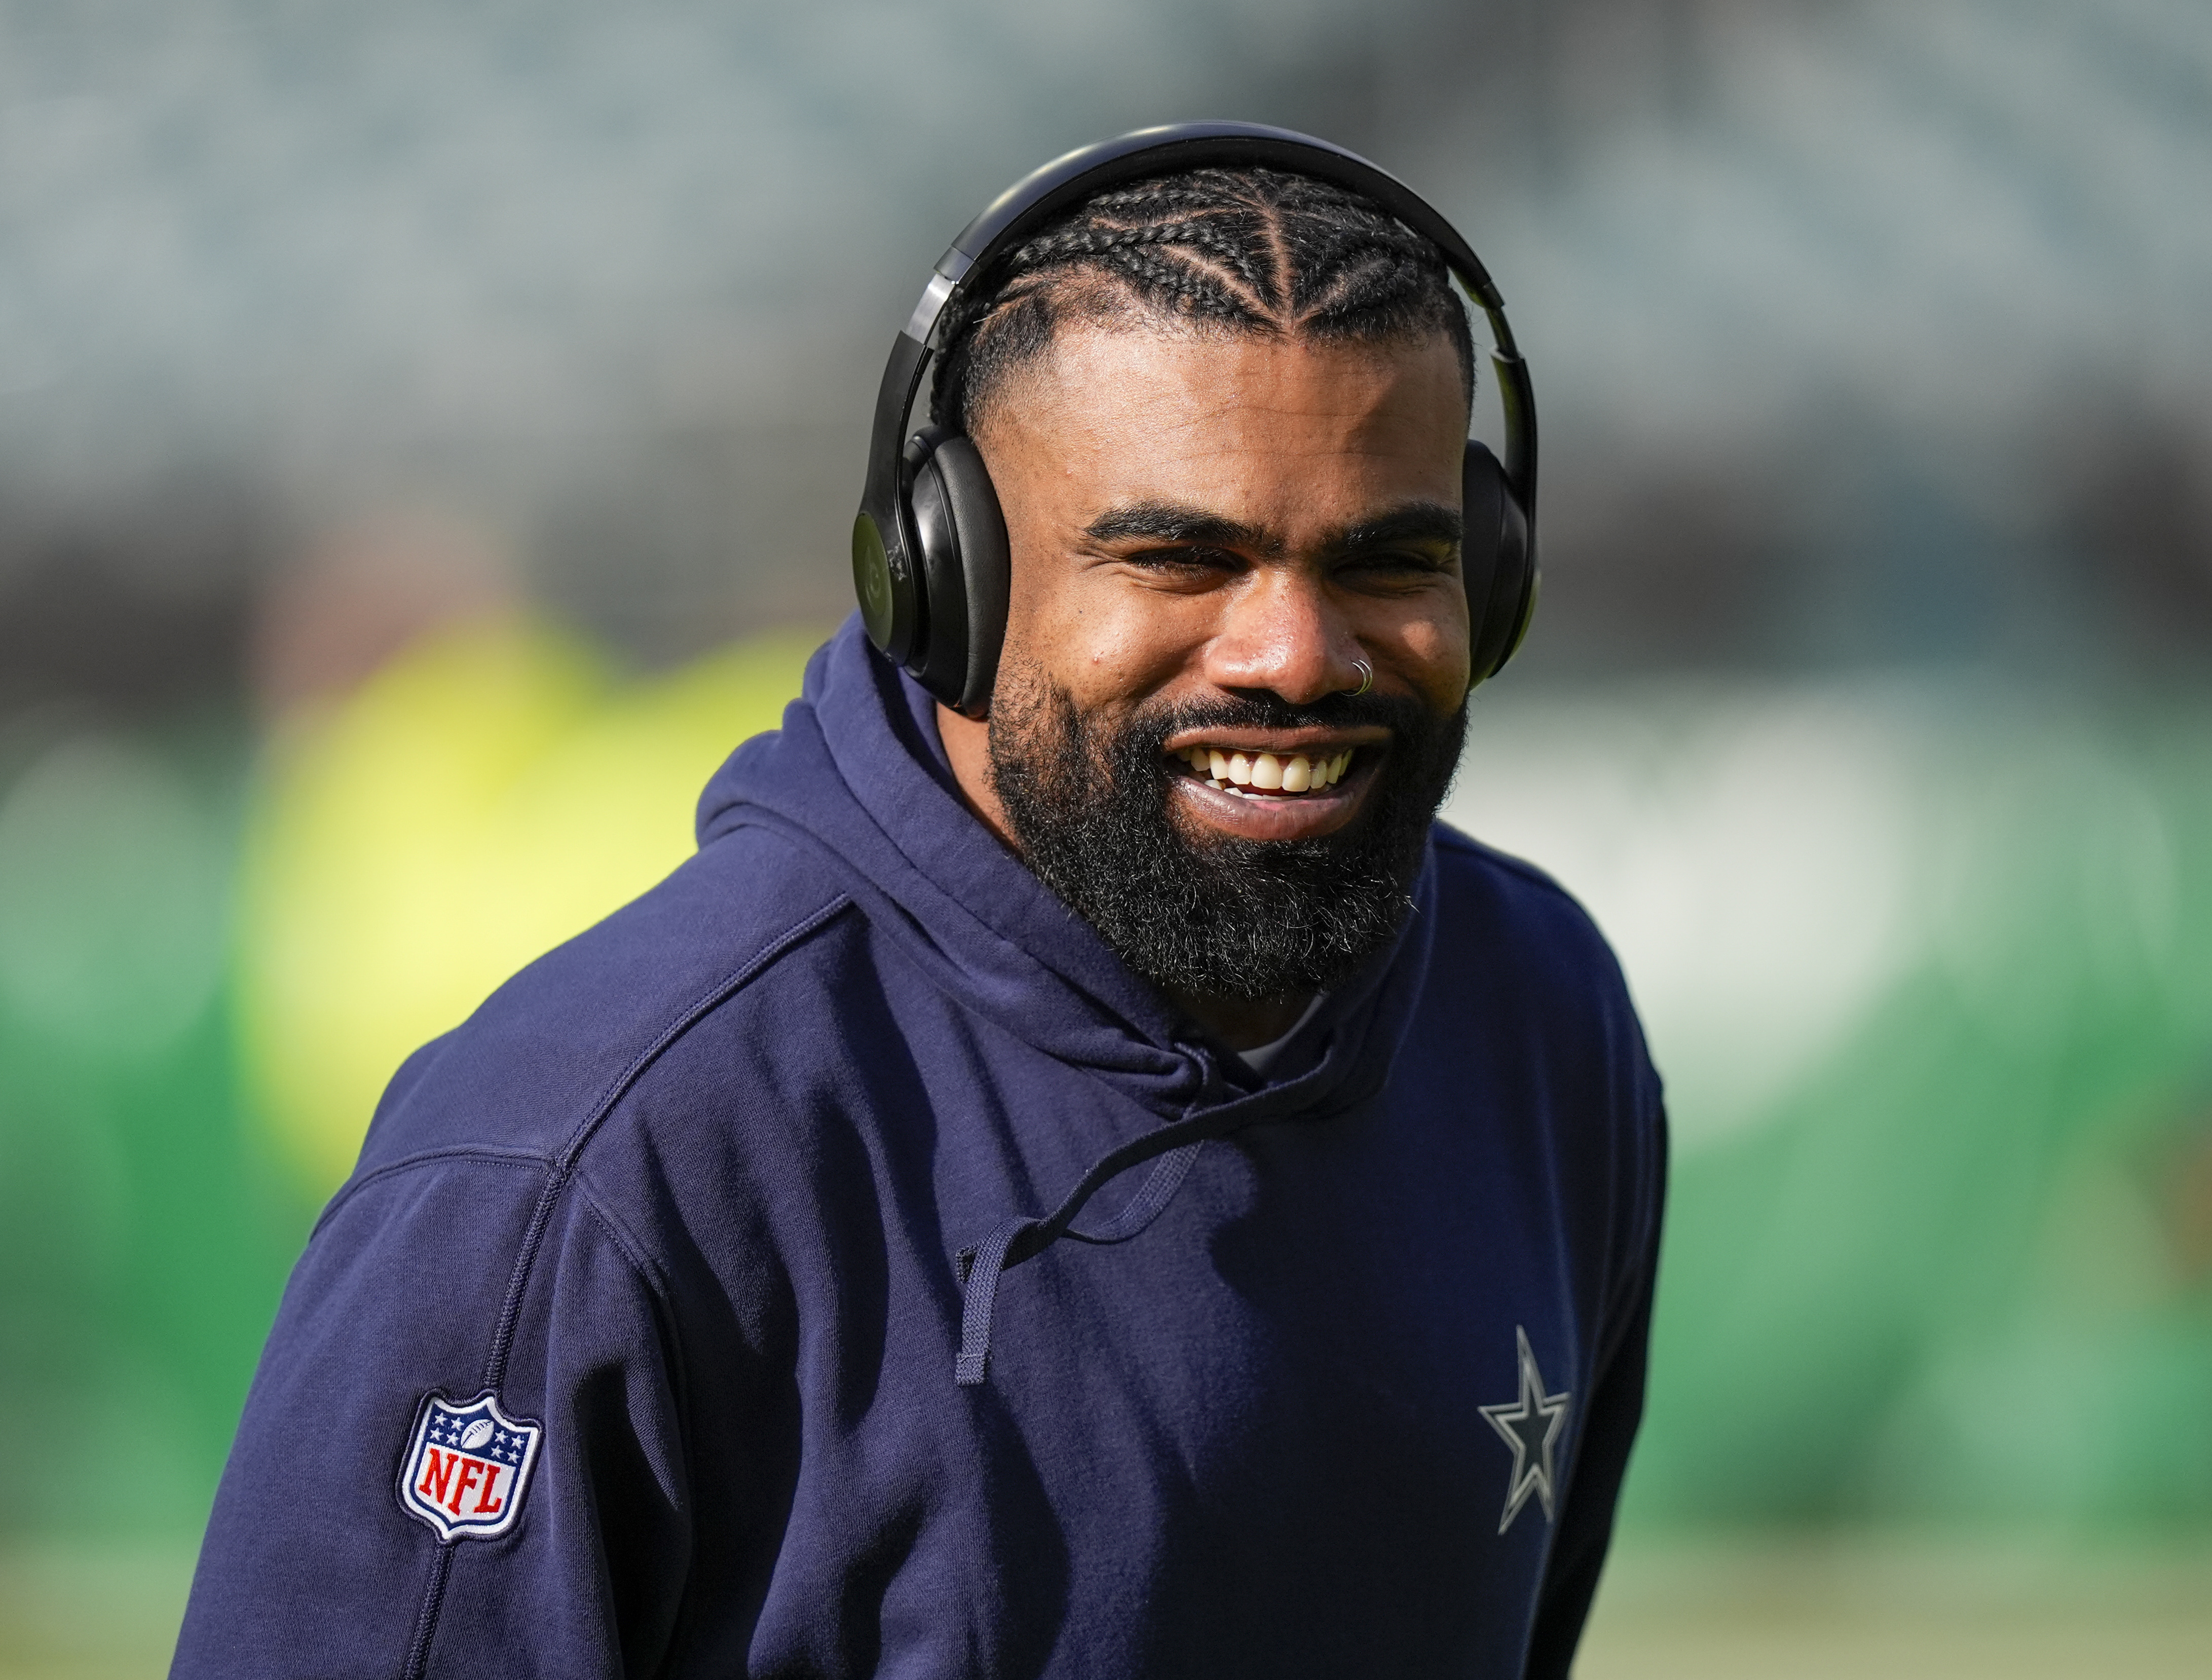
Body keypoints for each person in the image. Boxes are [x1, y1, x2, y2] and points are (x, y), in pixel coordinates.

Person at [173, 126, 1665, 1678]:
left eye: (1387, 561)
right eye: (1175, 559)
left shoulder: (1535, 1009)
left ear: (1490, 581)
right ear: (938, 579)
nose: (1292, 653)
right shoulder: (585, 1158)